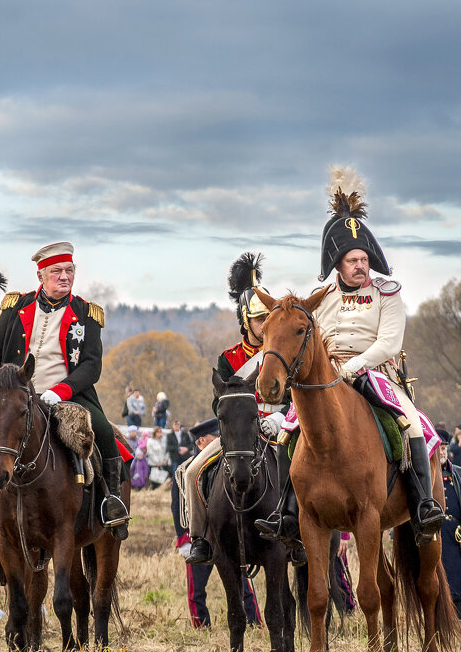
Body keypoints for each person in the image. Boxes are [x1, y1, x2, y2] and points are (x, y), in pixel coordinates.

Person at [256, 170, 444, 546]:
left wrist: (353, 367)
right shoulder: (320, 298)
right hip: (325, 375)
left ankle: (423, 505)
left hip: (374, 373)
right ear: (338, 264)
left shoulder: (386, 293)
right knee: (288, 431)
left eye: (364, 259)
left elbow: (389, 342)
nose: (360, 265)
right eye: (352, 260)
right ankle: (286, 511)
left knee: (410, 424)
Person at [0, 241, 130, 545]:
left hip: (68, 394)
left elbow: (91, 366)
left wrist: (60, 392)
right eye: (57, 271)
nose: (65, 277)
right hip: (12, 395)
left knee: (102, 430)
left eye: (70, 271)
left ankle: (111, 501)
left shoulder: (87, 314)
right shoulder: (15, 307)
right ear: (41, 276)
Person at [187, 253, 292, 565]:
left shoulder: (283, 356)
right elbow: (218, 403)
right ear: (246, 321)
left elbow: (294, 398)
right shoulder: (228, 359)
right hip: (239, 435)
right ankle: (200, 538)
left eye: (269, 320)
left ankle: (295, 531)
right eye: (260, 320)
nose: (265, 325)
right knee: (193, 471)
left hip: (280, 429)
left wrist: (278, 417)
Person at [173, 418, 262, 628]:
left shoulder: (227, 468)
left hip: (226, 534)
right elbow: (178, 506)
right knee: (197, 590)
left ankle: (254, 622)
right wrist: (184, 539)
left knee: (243, 583)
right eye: (214, 437)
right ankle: (201, 625)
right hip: (200, 536)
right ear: (201, 441)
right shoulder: (185, 470)